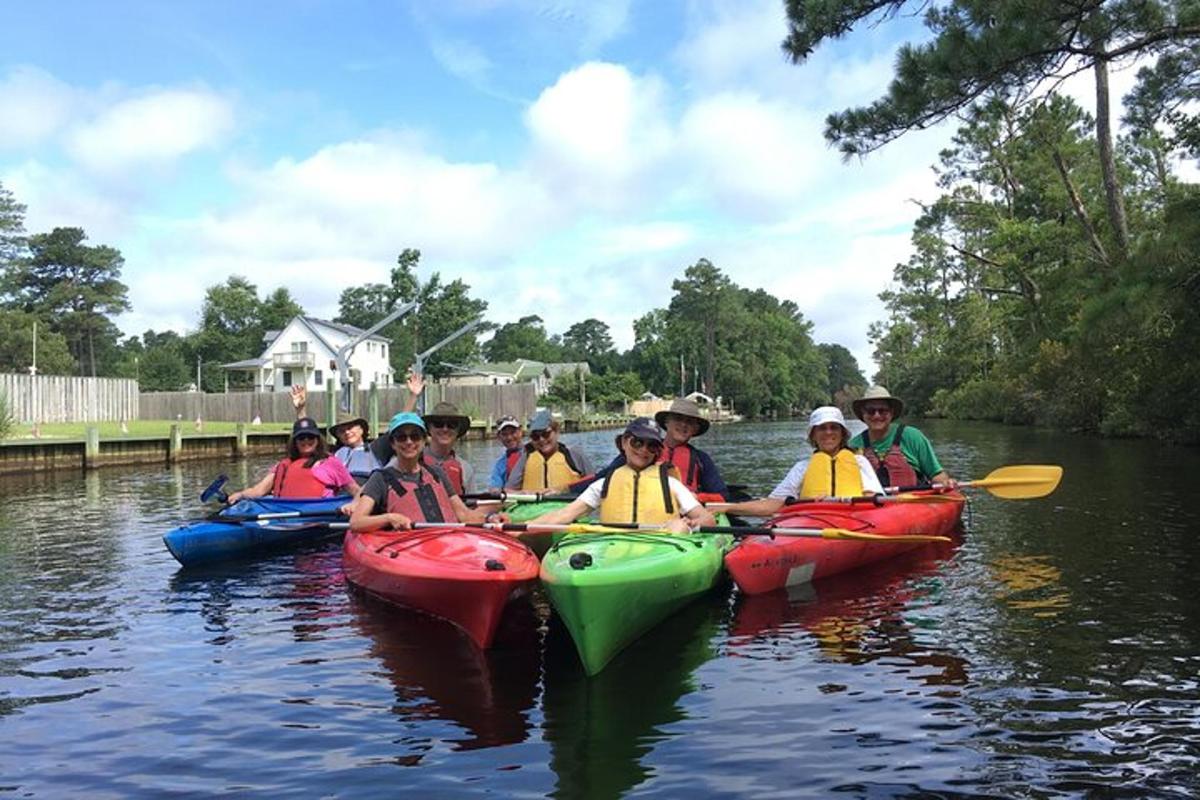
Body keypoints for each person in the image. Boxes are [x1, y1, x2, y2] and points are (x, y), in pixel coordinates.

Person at [532, 417, 716, 533]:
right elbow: (563, 515)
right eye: (637, 443)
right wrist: (519, 527)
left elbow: (708, 519)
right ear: (625, 442)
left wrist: (689, 525)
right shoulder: (603, 484)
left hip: (661, 549)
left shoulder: (671, 485)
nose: (643, 450)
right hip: (614, 550)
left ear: (657, 452)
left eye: (651, 445)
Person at [349, 412, 508, 531]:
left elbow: (463, 514)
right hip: (408, 549)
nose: (409, 442)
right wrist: (388, 518)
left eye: (415, 436)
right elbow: (356, 523)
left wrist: (489, 518)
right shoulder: (380, 478)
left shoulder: (437, 474)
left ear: (424, 440)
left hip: (448, 543)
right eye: (401, 437)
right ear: (393, 443)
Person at [721, 406, 884, 518]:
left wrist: (839, 501)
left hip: (853, 521)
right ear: (813, 435)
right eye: (822, 428)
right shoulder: (802, 467)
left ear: (843, 434)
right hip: (813, 524)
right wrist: (728, 507)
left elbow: (874, 498)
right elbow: (774, 504)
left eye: (834, 427)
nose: (828, 432)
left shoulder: (859, 461)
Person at [585, 398, 728, 498]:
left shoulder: (701, 459)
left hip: (687, 516)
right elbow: (602, 478)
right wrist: (568, 490)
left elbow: (722, 495)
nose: (684, 425)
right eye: (678, 419)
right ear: (667, 422)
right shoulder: (642, 450)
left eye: (690, 422)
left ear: (695, 429)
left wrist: (697, 497)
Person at [226, 417, 361, 504]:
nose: (306, 441)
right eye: (301, 438)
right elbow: (258, 491)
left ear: (317, 439)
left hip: (318, 515)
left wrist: (358, 505)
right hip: (283, 514)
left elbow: (355, 491)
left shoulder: (331, 463)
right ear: (295, 441)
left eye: (310, 437)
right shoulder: (284, 464)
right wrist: (240, 494)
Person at [849, 385, 955, 488]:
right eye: (871, 411)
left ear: (891, 412)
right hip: (870, 504)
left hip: (913, 503)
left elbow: (936, 474)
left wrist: (945, 483)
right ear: (863, 414)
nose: (877, 415)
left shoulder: (913, 437)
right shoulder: (852, 446)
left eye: (883, 410)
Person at [506, 409, 592, 492]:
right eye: (535, 437)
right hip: (533, 505)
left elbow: (595, 485)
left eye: (546, 434)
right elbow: (510, 490)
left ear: (556, 431)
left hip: (568, 504)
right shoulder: (525, 458)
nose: (542, 440)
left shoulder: (574, 455)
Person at [418, 401, 475, 495]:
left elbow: (471, 505)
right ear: (429, 428)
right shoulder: (411, 461)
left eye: (452, 424)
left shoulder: (465, 469)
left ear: (458, 431)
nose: (445, 429)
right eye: (438, 424)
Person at [329, 413, 383, 485]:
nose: (347, 432)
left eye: (350, 428)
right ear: (338, 436)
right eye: (342, 431)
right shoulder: (337, 454)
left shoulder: (375, 448)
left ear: (361, 430)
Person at [487, 415, 524, 491]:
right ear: (499, 437)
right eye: (504, 434)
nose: (509, 437)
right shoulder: (500, 465)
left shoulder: (533, 454)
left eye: (513, 432)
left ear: (520, 431)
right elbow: (494, 488)